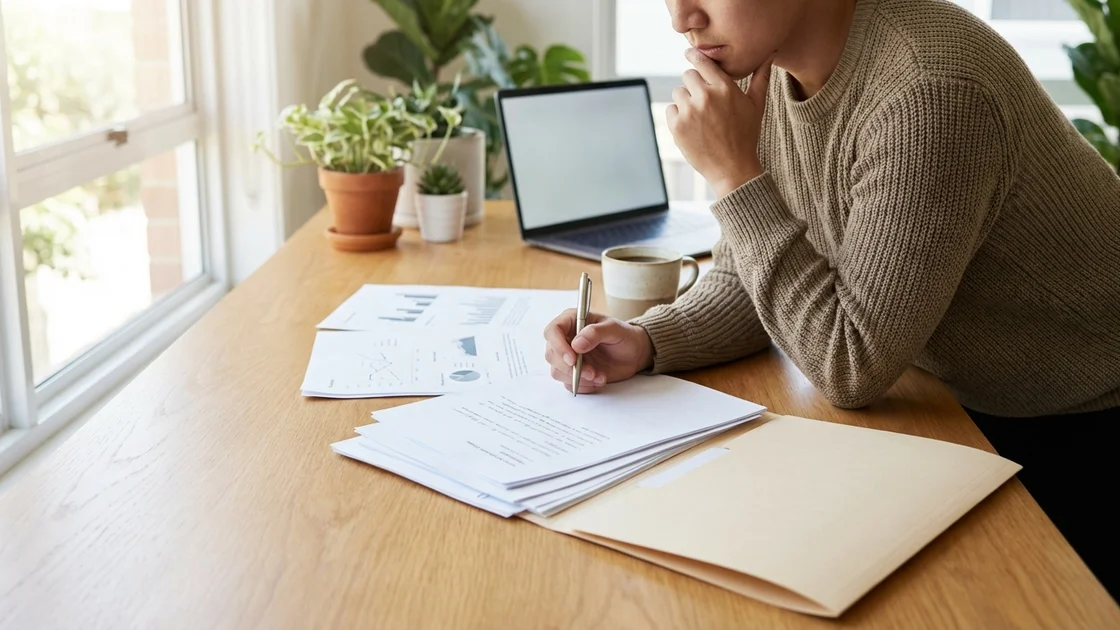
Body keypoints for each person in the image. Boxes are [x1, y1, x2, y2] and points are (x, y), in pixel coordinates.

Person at [542, 0, 1119, 600]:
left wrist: (735, 175)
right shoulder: (765, 70)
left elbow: (851, 364)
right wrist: (647, 340)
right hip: (955, 406)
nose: (681, 17)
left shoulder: (929, 88)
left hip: (1083, 419)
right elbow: (750, 276)